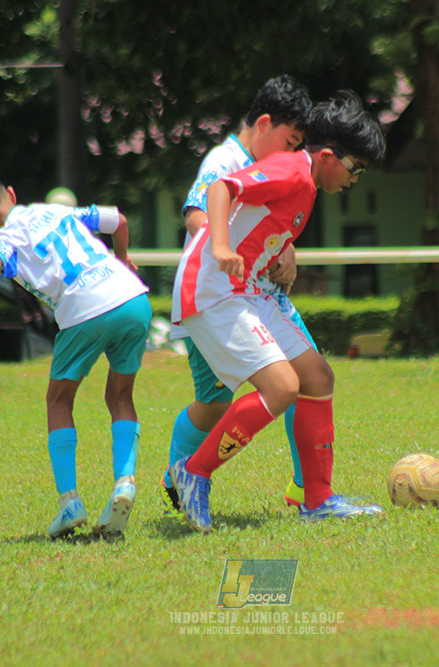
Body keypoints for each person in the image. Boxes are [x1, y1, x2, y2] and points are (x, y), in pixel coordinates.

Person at [168, 91, 387, 533]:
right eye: (355, 169)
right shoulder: (292, 169)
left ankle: (318, 499)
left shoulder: (306, 183)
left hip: (249, 291)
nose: (354, 179)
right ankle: (194, 471)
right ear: (328, 156)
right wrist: (223, 247)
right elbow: (221, 187)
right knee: (283, 387)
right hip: (215, 290)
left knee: (318, 377)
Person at [0, 160, 151, 538]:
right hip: (132, 297)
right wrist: (122, 257)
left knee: (59, 400)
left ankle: (69, 501)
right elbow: (118, 220)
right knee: (120, 395)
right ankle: (125, 481)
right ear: (10, 194)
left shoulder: (6, 235)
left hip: (86, 309)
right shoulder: (55, 209)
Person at [163, 75, 316, 517]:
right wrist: (227, 252)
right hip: (219, 299)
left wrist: (284, 247)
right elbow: (198, 219)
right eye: (289, 142)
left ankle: (308, 488)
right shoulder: (224, 160)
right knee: (214, 402)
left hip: (261, 297)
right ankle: (180, 472)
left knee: (309, 377)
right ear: (264, 123)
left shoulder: (271, 164)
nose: (291, 154)